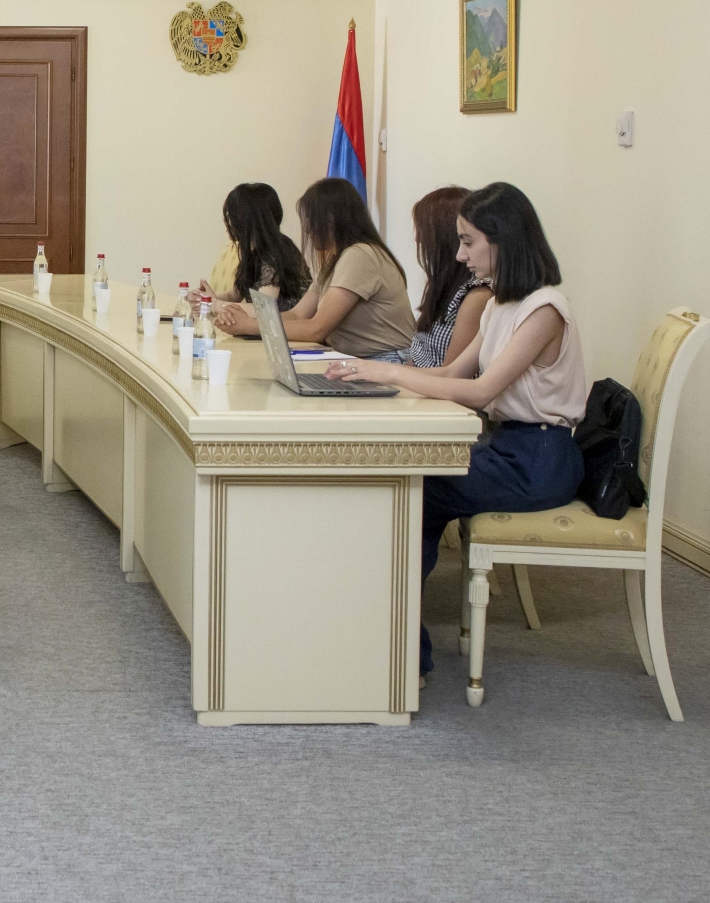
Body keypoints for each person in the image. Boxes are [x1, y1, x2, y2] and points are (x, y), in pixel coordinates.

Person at [324, 182, 587, 673]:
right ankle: (399, 645)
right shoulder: (500, 304)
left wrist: (387, 373)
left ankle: (401, 651)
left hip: (539, 461)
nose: (460, 254)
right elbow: (450, 374)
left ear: (502, 239)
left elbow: (481, 392)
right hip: (510, 449)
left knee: (409, 493)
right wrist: (375, 376)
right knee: (409, 490)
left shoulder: (545, 310)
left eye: (468, 242)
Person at [213, 177, 413, 360]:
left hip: (384, 360)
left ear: (330, 220)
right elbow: (298, 314)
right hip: (352, 358)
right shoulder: (336, 259)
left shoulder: (360, 255)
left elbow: (317, 329)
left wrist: (249, 325)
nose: (307, 228)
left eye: (310, 219)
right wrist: (248, 321)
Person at [406, 185, 490, 368]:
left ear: (444, 236)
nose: (417, 239)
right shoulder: (443, 283)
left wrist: (388, 373)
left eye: (422, 230)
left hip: (434, 385)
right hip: (415, 381)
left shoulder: (478, 294)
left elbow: (451, 375)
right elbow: (417, 355)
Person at [205, 183, 310, 311]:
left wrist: (215, 304)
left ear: (247, 219)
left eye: (231, 215)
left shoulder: (274, 252)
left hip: (286, 323)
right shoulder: (254, 250)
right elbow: (234, 295)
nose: (227, 221)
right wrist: (205, 299)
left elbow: (264, 308)